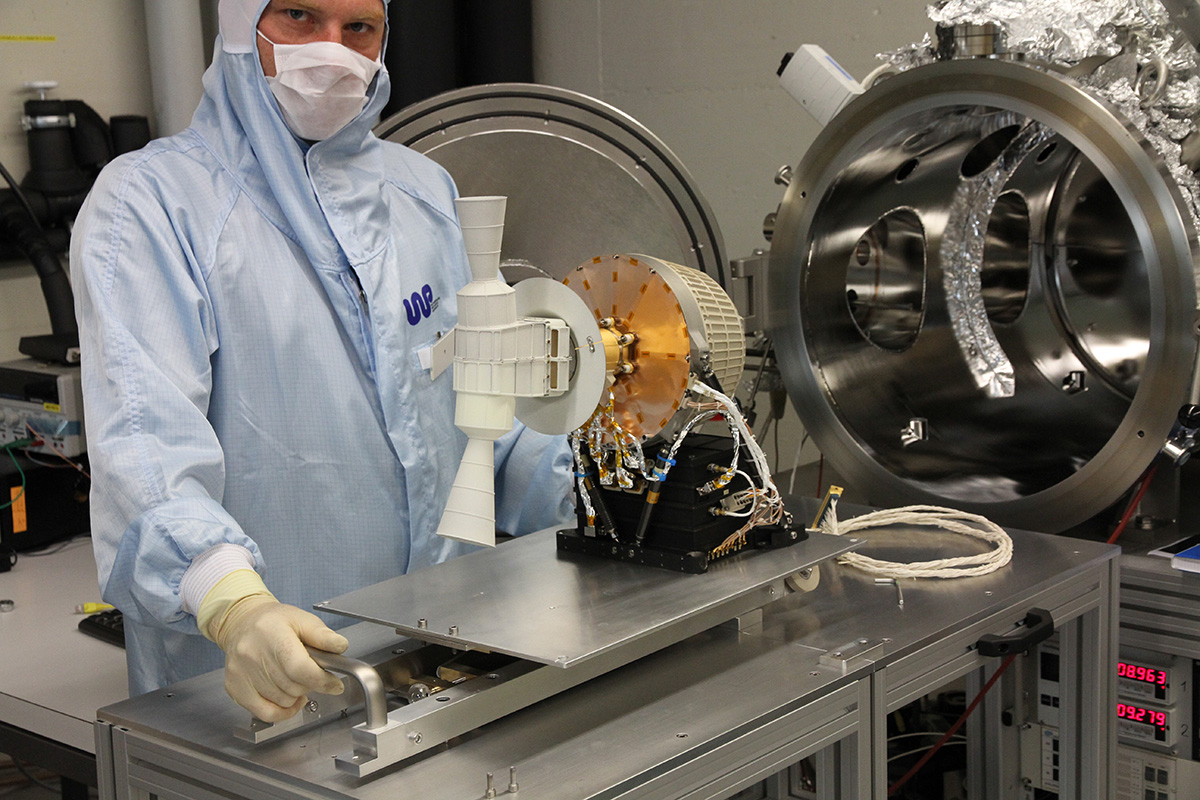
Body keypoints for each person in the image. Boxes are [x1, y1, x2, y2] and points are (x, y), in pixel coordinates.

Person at [71, 0, 573, 722]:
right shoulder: (150, 204)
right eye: (302, 17)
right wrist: (235, 606)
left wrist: (600, 484)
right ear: (244, 27)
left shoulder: (424, 193)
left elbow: (482, 415)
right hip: (251, 690)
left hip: (440, 666)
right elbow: (146, 453)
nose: (333, 52)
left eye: (358, 29)